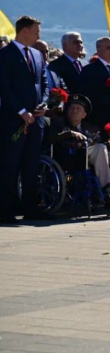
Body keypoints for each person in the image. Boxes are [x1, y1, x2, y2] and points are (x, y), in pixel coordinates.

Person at [46, 94, 110, 202]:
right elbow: (51, 138)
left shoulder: (90, 127)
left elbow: (101, 140)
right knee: (99, 148)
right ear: (67, 111)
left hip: (96, 156)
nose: (74, 111)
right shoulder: (59, 123)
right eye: (72, 108)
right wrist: (70, 134)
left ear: (84, 115)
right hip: (73, 157)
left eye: (78, 109)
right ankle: (106, 187)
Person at [0, 16, 49, 223]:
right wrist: (21, 111)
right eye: (36, 31)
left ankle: (31, 207)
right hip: (14, 119)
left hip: (35, 119)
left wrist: (44, 103)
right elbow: (5, 87)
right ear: (25, 31)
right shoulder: (6, 54)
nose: (38, 35)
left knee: (31, 165)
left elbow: (44, 82)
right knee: (11, 165)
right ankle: (6, 210)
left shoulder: (37, 55)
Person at [80, 37, 110, 139]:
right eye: (108, 48)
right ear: (99, 50)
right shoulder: (89, 70)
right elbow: (87, 95)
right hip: (100, 121)